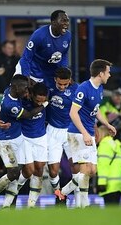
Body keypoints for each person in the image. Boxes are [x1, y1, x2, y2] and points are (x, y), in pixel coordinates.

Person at [54, 59, 116, 208]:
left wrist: (106, 124)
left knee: (92, 171)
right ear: (101, 73)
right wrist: (85, 133)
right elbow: (73, 113)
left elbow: (96, 109)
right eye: (108, 72)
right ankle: (80, 204)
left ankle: (64, 193)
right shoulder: (84, 88)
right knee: (85, 170)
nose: (109, 75)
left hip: (88, 133)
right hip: (77, 134)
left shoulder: (99, 88)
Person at [0, 75, 48, 209]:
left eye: (27, 88)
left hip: (18, 138)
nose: (26, 91)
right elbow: (29, 115)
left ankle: (7, 206)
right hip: (6, 141)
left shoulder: (9, 91)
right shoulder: (11, 105)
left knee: (17, 173)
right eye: (24, 88)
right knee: (13, 173)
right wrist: (45, 105)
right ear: (16, 87)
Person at [44, 67, 80, 206]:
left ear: (70, 80)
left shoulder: (77, 90)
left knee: (76, 167)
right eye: (60, 84)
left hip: (70, 131)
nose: (63, 87)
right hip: (52, 132)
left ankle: (78, 199)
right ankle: (59, 196)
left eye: (65, 84)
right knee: (53, 171)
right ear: (55, 80)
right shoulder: (48, 87)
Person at [15, 10, 71, 87]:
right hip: (31, 70)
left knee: (44, 98)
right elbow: (26, 58)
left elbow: (63, 55)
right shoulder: (39, 35)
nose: (66, 23)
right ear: (53, 22)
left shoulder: (68, 36)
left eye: (67, 21)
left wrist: (64, 72)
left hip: (48, 73)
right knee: (20, 92)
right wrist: (26, 78)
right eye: (63, 21)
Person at [96, 125, 121, 206]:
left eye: (96, 134)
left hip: (109, 185)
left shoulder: (104, 145)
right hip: (119, 184)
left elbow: (103, 165)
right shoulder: (115, 144)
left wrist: (101, 183)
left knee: (110, 214)